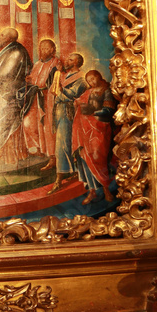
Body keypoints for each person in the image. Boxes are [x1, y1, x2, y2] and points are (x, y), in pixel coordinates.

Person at [0, 27, 32, 164]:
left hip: (8, 93)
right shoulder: (9, 49)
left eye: (2, 35)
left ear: (9, 38)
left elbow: (5, 73)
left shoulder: (16, 51)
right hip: (3, 92)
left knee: (0, 122)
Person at [72, 69, 116, 204]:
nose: (91, 82)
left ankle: (106, 189)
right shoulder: (89, 91)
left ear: (99, 76)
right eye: (89, 80)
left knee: (98, 157)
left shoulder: (106, 90)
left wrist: (93, 111)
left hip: (100, 128)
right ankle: (92, 191)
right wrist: (78, 104)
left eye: (93, 78)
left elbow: (109, 110)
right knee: (85, 156)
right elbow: (79, 101)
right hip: (86, 128)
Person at [49, 53, 86, 191]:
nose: (67, 60)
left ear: (77, 62)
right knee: (63, 143)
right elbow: (55, 88)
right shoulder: (65, 75)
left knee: (62, 144)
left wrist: (59, 92)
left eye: (70, 59)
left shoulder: (81, 78)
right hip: (59, 111)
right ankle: (71, 171)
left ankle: (59, 179)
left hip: (68, 112)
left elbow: (71, 94)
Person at [22, 37, 59, 165]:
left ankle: (51, 154)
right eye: (41, 48)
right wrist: (29, 80)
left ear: (52, 49)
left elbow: (55, 81)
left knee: (47, 126)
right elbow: (33, 78)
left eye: (46, 48)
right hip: (35, 97)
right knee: (28, 122)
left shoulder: (56, 63)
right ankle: (36, 148)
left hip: (48, 98)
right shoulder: (37, 64)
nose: (43, 50)